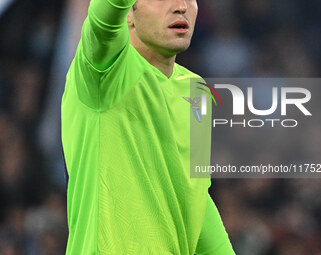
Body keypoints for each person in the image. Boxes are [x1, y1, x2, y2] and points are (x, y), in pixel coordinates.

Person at [61, 0, 235, 254]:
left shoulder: (196, 92)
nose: (181, 6)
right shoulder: (103, 69)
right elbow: (104, 16)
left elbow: (195, 199)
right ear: (128, 13)